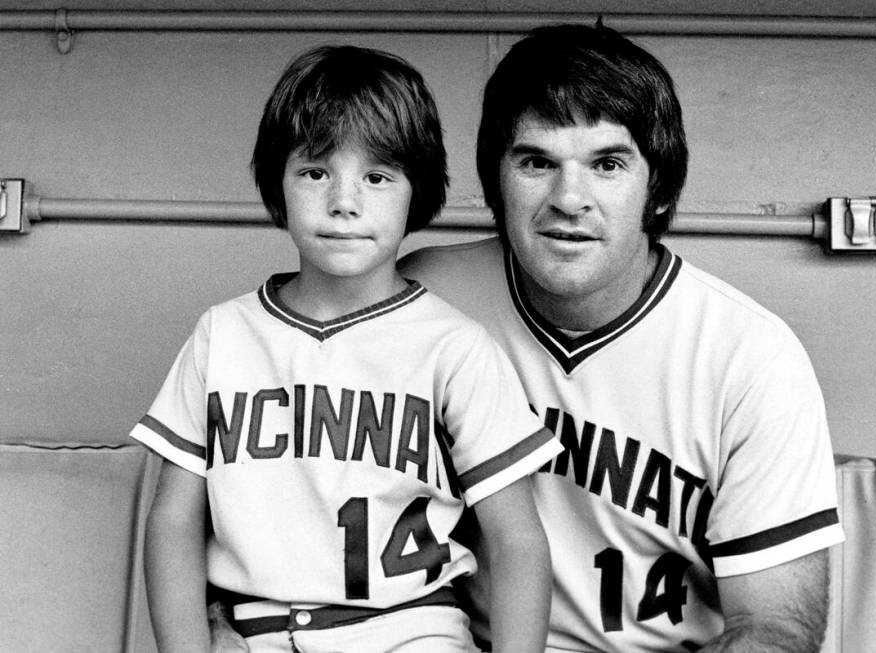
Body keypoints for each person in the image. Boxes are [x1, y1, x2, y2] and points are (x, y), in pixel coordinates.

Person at [212, 23, 845, 653]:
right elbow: (278, 483)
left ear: (659, 188)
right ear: (495, 182)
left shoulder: (750, 357)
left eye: (608, 164)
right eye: (537, 162)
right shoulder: (421, 301)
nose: (570, 199)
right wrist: (218, 626)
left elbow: (776, 628)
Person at [132, 44, 562, 653]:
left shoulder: (454, 348)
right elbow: (173, 521)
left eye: (378, 177)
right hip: (255, 632)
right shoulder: (222, 335)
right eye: (315, 172)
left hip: (410, 628)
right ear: (277, 183)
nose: (344, 200)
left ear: (419, 192)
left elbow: (516, 541)